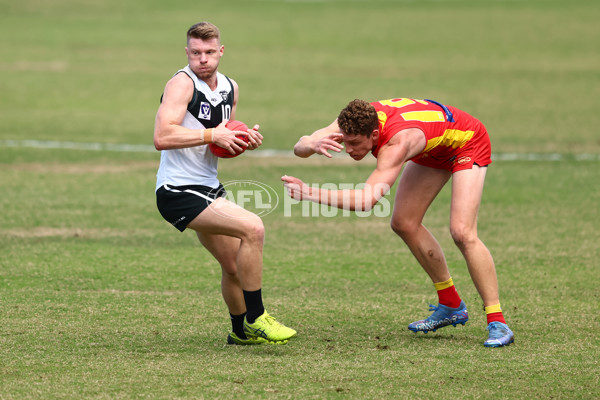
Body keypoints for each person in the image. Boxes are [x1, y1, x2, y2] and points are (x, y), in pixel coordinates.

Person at [282, 98, 514, 347]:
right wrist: (311, 143)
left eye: (355, 143)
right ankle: (451, 305)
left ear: (373, 134)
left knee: (462, 232)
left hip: (466, 142)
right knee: (404, 222)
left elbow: (366, 200)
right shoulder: (351, 121)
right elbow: (300, 145)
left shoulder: (396, 143)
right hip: (433, 147)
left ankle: (497, 321)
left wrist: (308, 193)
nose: (348, 150)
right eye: (345, 141)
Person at [154, 22, 296, 345]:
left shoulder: (231, 88)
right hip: (177, 190)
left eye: (208, 52)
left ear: (220, 51)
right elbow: (162, 136)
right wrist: (212, 133)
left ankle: (239, 331)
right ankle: (257, 317)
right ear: (186, 52)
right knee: (253, 228)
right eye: (195, 53)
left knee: (233, 264)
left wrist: (243, 138)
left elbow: (220, 140)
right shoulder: (181, 85)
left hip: (207, 185)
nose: (202, 59)